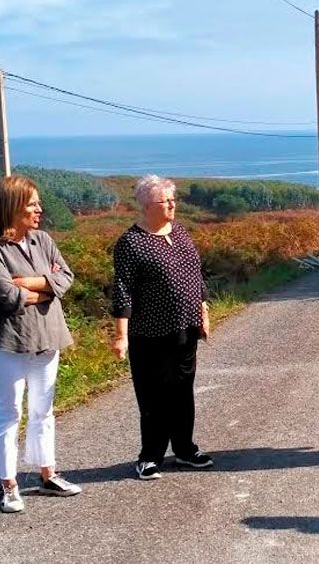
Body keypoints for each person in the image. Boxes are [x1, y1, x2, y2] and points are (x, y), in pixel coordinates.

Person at [0, 175, 82, 514]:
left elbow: (65, 278)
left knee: (43, 410)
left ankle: (47, 474)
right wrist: (46, 289)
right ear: (13, 206)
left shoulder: (43, 240)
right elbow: (4, 294)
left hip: (47, 337)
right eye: (32, 203)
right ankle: (8, 485)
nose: (39, 209)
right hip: (9, 341)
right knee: (10, 412)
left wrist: (30, 284)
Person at [111, 174, 213, 481]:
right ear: (146, 205)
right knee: (154, 396)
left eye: (173, 200)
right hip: (149, 333)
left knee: (183, 391)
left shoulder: (180, 232)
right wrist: (120, 335)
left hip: (186, 328)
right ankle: (150, 456)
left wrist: (203, 311)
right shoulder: (131, 243)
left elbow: (196, 275)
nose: (171, 205)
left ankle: (184, 449)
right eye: (164, 201)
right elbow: (122, 290)